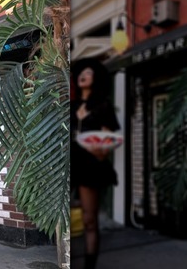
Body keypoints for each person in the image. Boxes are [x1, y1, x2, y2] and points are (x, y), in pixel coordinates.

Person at [70, 58, 120, 269]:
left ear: (95, 79)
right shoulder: (72, 105)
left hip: (89, 167)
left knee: (89, 220)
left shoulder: (102, 106)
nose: (84, 75)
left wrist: (93, 147)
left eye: (89, 73)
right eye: (82, 72)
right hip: (68, 165)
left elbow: (108, 142)